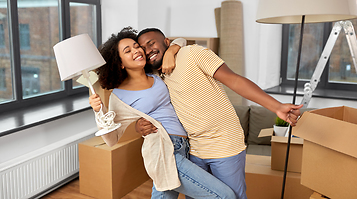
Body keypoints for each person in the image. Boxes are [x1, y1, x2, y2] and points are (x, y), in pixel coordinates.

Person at [135, 28, 303, 199]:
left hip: (225, 144)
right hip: (193, 149)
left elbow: (234, 80)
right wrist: (139, 125)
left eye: (151, 43)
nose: (148, 51)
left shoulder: (193, 53)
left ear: (166, 42)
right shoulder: (154, 78)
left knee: (233, 197)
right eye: (143, 48)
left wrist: (276, 106)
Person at [89, 27, 236, 199]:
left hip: (187, 146)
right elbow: (111, 138)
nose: (136, 51)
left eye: (137, 46)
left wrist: (171, 51)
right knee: (225, 196)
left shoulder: (157, 74)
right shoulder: (120, 95)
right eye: (127, 51)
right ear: (120, 63)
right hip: (164, 149)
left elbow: (180, 40)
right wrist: (99, 111)